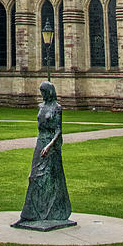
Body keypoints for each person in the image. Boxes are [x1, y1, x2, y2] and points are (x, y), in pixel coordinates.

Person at [11, 81, 76, 230]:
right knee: (33, 176)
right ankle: (30, 215)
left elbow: (58, 130)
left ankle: (54, 212)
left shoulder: (57, 108)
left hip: (50, 146)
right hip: (40, 142)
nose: (42, 95)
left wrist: (49, 146)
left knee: (53, 177)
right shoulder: (41, 106)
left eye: (44, 92)